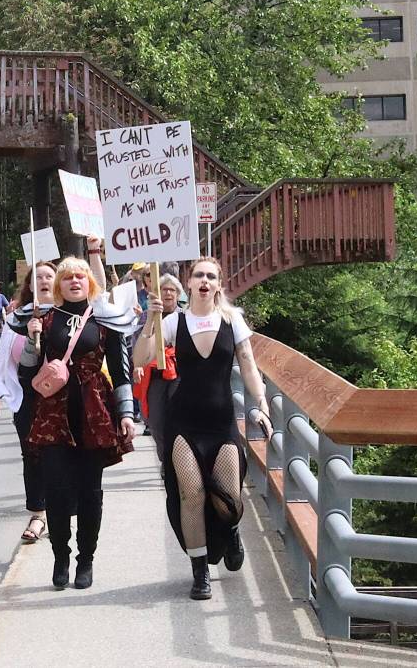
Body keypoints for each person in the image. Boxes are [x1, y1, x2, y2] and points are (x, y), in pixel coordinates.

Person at [134, 257, 271, 601]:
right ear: (189, 283)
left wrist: (261, 403)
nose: (205, 281)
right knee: (190, 492)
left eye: (211, 276)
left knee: (229, 497)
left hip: (221, 422)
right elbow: (139, 359)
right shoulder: (172, 321)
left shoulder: (232, 320)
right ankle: (200, 573)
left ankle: (232, 528)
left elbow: (249, 366)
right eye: (199, 275)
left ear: (219, 284)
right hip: (184, 423)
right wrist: (151, 321)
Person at [18, 254, 137, 591]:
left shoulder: (105, 319)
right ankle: (60, 557)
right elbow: (27, 372)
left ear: (89, 282)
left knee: (90, 492)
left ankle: (86, 560)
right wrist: (32, 339)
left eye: (80, 277)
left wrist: (126, 413)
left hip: (93, 412)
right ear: (59, 284)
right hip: (54, 414)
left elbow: (120, 368)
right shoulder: (45, 317)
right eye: (67, 277)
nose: (74, 281)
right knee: (55, 491)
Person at [0, 261, 58, 544]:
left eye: (49, 276)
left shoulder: (68, 314)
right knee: (32, 454)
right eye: (37, 277)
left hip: (58, 396)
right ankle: (38, 513)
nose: (43, 280)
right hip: (26, 395)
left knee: (59, 455)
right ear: (29, 285)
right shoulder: (17, 317)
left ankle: (60, 510)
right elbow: (3, 355)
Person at [133, 274, 184, 464]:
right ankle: (166, 459)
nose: (168, 293)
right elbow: (137, 341)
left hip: (179, 373)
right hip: (153, 374)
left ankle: (178, 461)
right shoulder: (148, 316)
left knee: (178, 417)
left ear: (178, 295)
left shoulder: (185, 316)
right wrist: (137, 365)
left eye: (172, 290)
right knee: (156, 420)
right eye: (164, 289)